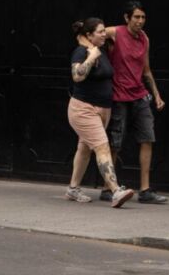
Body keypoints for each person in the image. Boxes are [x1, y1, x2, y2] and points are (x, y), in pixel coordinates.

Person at [102, 1, 168, 204]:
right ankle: (108, 188)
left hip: (139, 95)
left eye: (143, 17)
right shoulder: (115, 32)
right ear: (127, 18)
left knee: (147, 138)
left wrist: (156, 95)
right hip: (119, 96)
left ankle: (145, 190)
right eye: (136, 17)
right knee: (115, 143)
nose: (140, 21)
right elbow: (93, 34)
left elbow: (146, 70)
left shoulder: (144, 38)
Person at [65, 18, 135, 208]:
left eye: (105, 31)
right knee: (102, 147)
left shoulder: (100, 49)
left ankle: (73, 188)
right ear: (89, 35)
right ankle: (116, 191)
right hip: (84, 109)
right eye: (100, 31)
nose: (105, 34)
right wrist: (90, 58)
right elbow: (77, 76)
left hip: (102, 110)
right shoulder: (82, 52)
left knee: (85, 148)